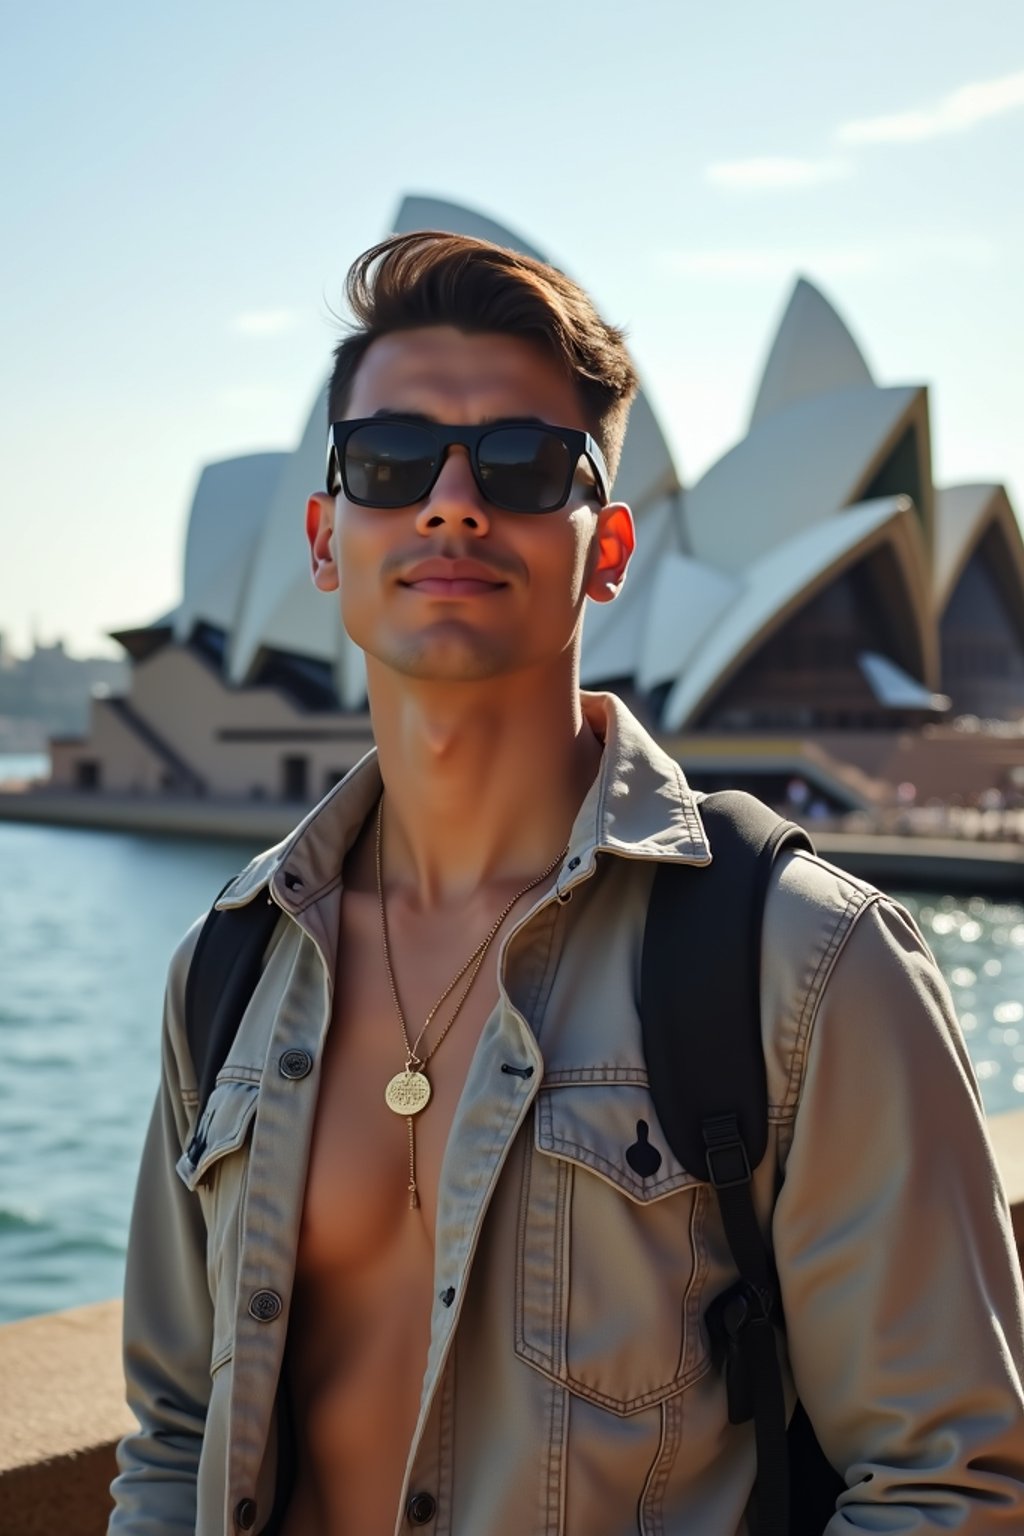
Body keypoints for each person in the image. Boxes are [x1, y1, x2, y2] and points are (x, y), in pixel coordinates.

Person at [109, 231, 1024, 1535]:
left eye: (531, 466)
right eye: (392, 461)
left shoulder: (808, 968)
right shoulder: (231, 963)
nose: (455, 500)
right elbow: (173, 1442)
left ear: (610, 549)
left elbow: (947, 1485)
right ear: (325, 536)